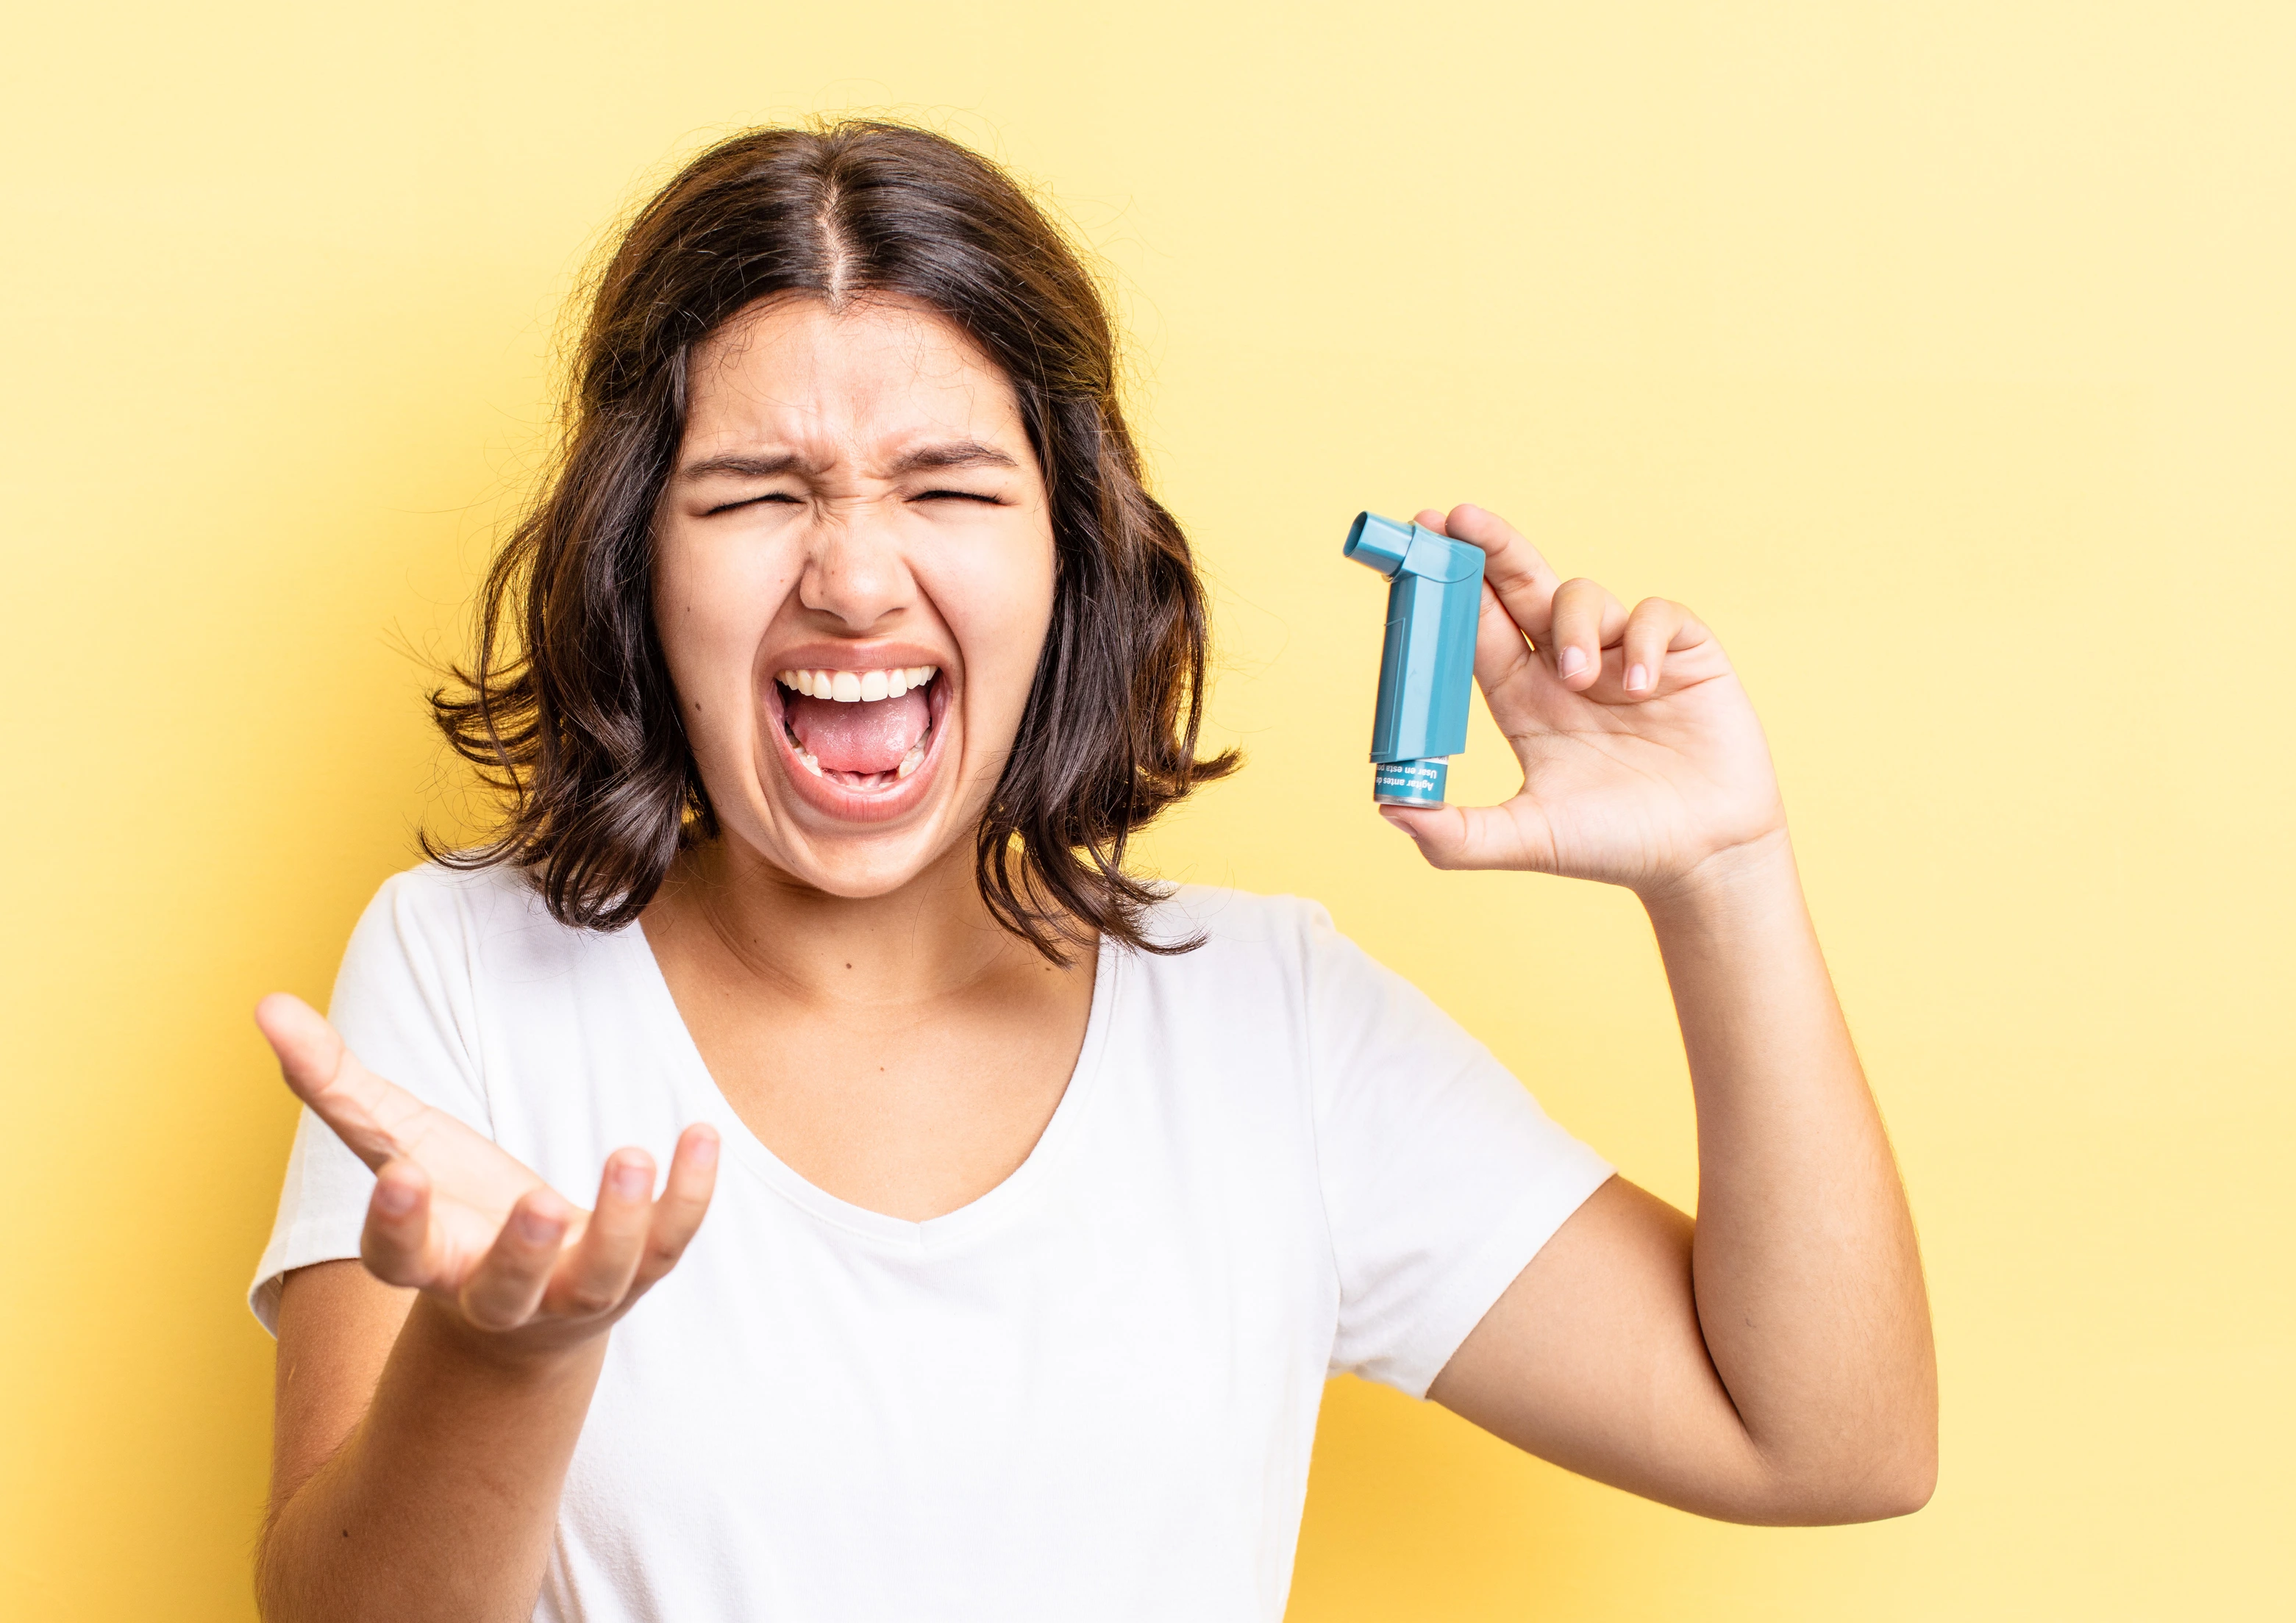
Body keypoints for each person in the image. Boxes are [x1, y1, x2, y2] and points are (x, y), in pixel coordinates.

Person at [243, 120, 1935, 1623]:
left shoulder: (1271, 1024)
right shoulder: (464, 973)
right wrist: (507, 1351)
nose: (854, 577)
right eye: (756, 493)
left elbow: (1826, 1437)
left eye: (948, 484)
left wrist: (1724, 873)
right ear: (636, 560)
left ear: (1072, 551)